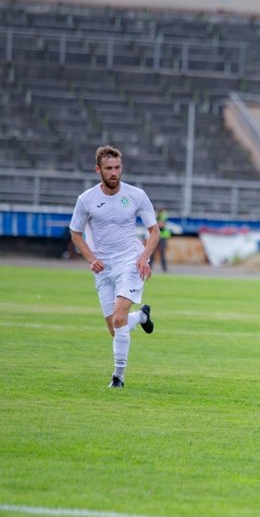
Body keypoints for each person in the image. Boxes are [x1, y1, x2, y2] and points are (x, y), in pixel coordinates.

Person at [68, 145, 159, 388]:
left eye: (117, 167)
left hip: (130, 261)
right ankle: (141, 317)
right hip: (103, 267)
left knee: (119, 319)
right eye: (109, 168)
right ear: (98, 170)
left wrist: (144, 257)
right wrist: (91, 258)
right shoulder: (86, 200)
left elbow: (154, 231)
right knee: (115, 327)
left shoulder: (136, 195)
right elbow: (75, 233)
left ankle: (118, 377)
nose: (114, 172)